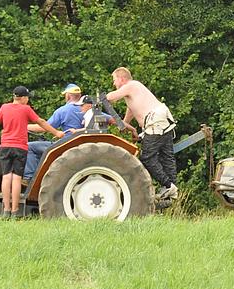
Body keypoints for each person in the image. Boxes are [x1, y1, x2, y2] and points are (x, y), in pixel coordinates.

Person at [0, 85, 63, 218]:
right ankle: (15, 211)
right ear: (23, 98)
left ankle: (6, 209)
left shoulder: (4, 108)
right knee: (17, 178)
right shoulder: (26, 109)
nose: (28, 101)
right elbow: (41, 122)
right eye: (27, 98)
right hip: (20, 147)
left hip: (6, 146)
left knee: (7, 177)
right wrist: (56, 132)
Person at [106, 67, 178, 200]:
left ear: (122, 79)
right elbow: (131, 111)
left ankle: (168, 186)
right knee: (167, 157)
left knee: (147, 158)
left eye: (114, 80)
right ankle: (173, 190)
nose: (114, 84)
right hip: (163, 120)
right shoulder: (133, 91)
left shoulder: (130, 85)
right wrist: (124, 125)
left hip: (155, 121)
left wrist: (101, 98)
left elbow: (111, 97)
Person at [23, 83, 86, 181]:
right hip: (80, 144)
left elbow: (45, 127)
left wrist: (25, 126)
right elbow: (109, 119)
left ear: (68, 95)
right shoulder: (88, 109)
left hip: (65, 144)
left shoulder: (63, 111)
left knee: (29, 147)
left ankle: (28, 177)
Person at [71, 95, 139, 140]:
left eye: (82, 105)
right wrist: (132, 129)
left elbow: (88, 130)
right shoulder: (99, 114)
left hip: (94, 139)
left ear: (89, 105)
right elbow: (117, 121)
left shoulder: (89, 113)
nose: (80, 108)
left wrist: (76, 131)